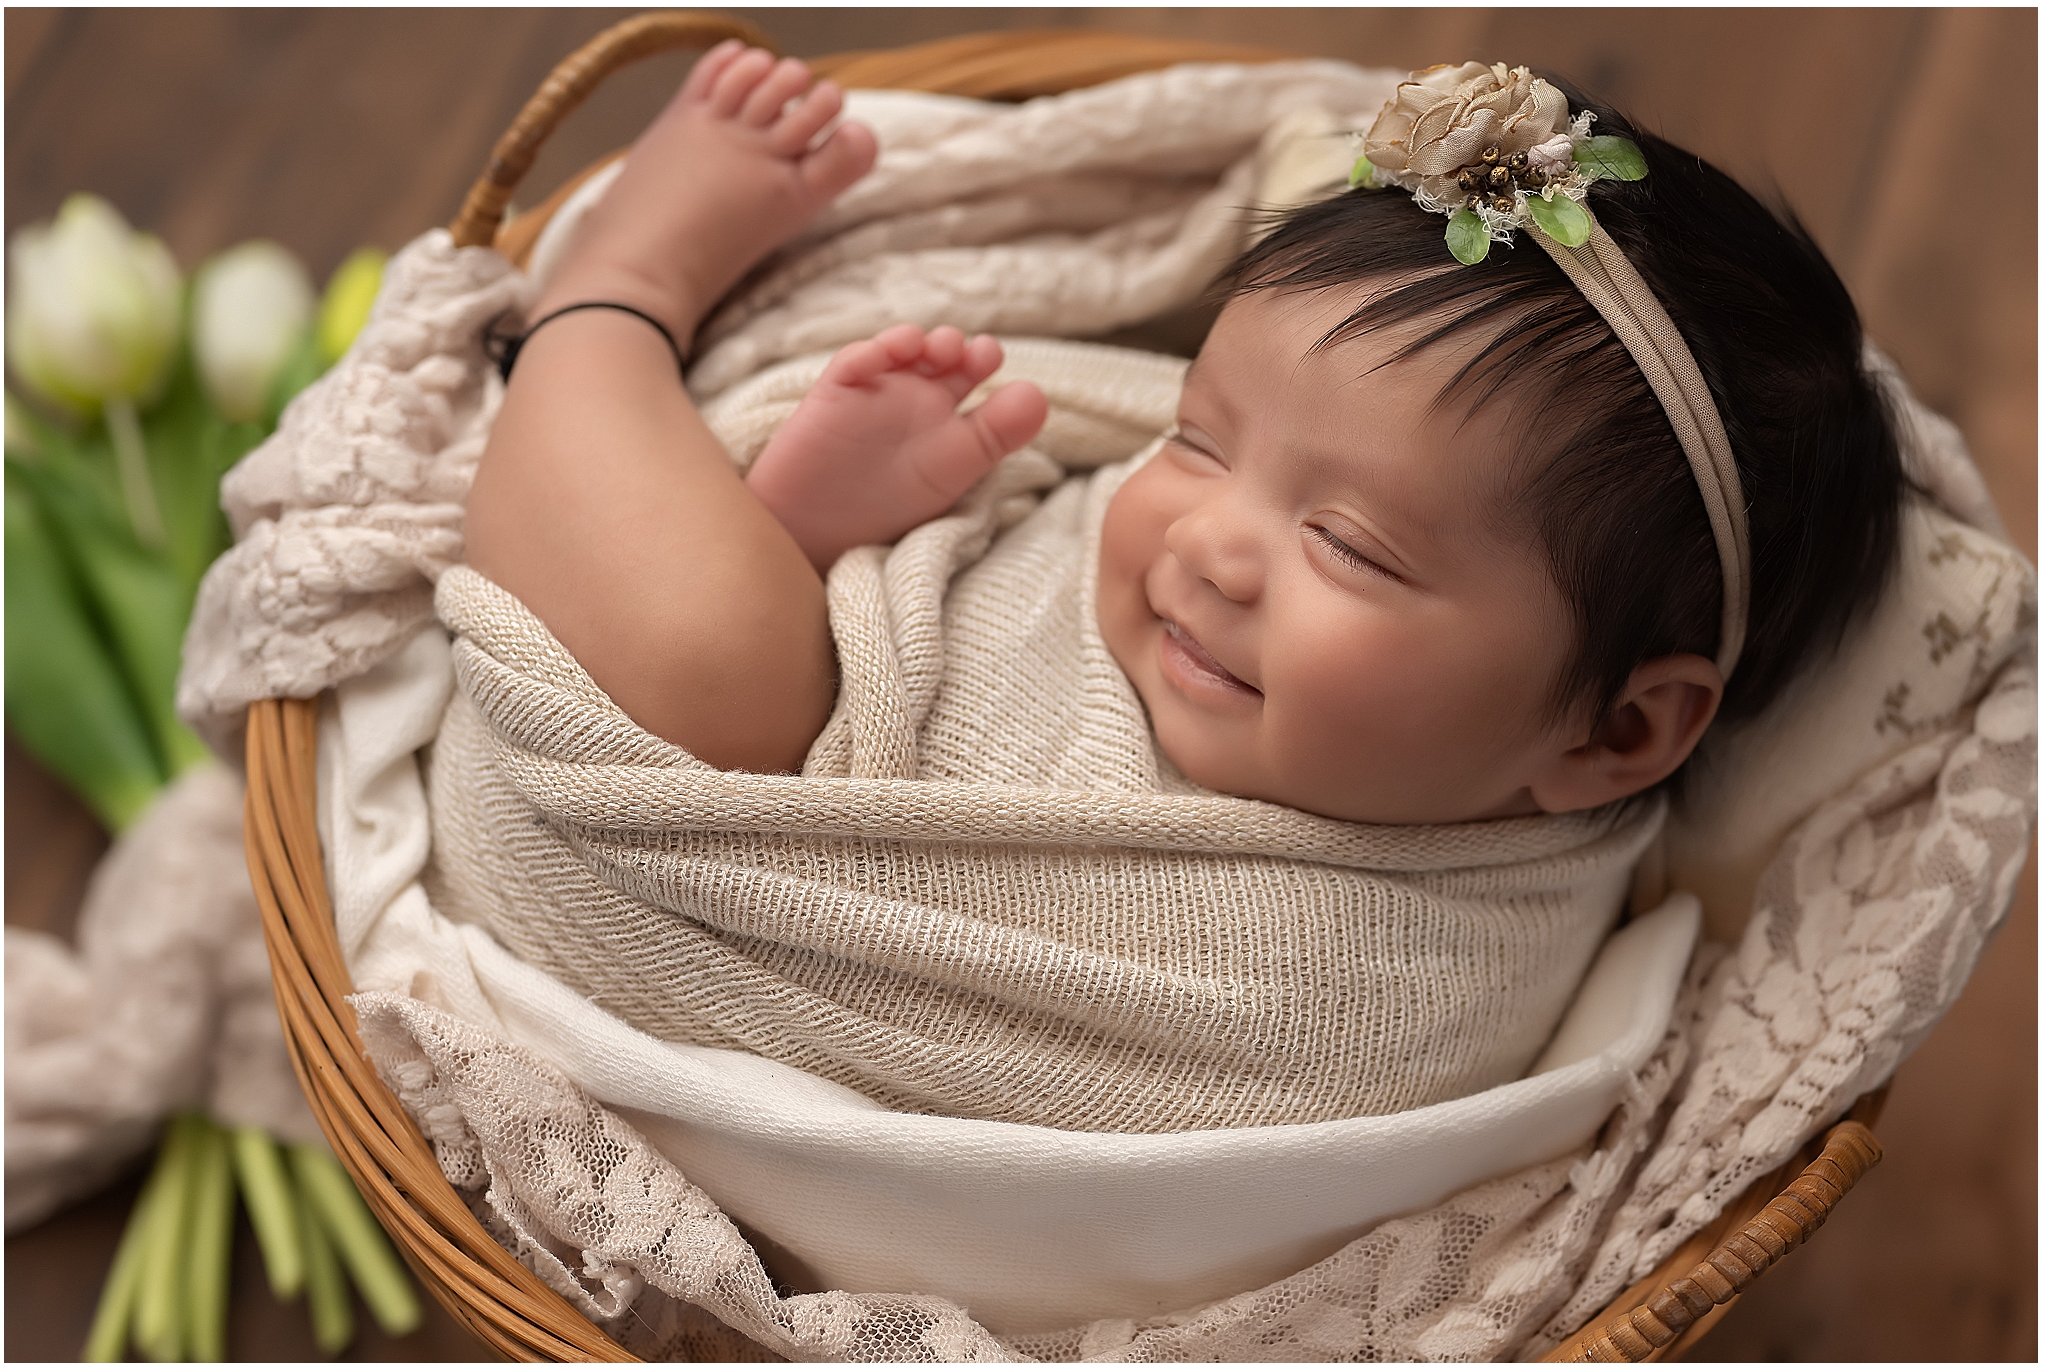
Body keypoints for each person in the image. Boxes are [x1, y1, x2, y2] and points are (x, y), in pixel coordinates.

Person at [448, 45, 1905, 1130]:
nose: (1210, 541)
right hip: (829, 677)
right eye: (1198, 436)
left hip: (684, 817)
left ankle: (618, 290)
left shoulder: (1369, 989)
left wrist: (787, 667)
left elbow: (964, 1043)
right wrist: (837, 560)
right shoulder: (1291, 660)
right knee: (739, 649)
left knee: (709, 669)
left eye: (1352, 546)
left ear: (1618, 735)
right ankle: (779, 546)